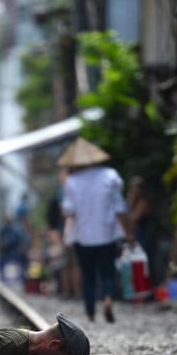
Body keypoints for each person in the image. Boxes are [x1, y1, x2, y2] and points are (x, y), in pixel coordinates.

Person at [59, 137, 133, 323]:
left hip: (83, 236)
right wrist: (129, 233)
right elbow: (119, 207)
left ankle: (91, 314)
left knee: (88, 275)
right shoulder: (110, 175)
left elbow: (69, 210)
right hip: (107, 233)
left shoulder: (71, 182)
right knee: (107, 272)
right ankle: (108, 299)